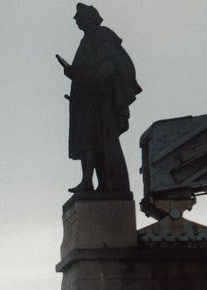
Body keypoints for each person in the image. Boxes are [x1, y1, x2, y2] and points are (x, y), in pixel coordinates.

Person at [56, 3, 141, 195]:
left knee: (96, 142)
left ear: (89, 18)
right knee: (89, 141)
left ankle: (95, 182)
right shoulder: (86, 40)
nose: (78, 24)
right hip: (86, 100)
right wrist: (73, 73)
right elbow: (86, 70)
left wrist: (92, 80)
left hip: (99, 102)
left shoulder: (102, 35)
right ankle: (90, 181)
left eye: (80, 20)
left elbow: (111, 65)